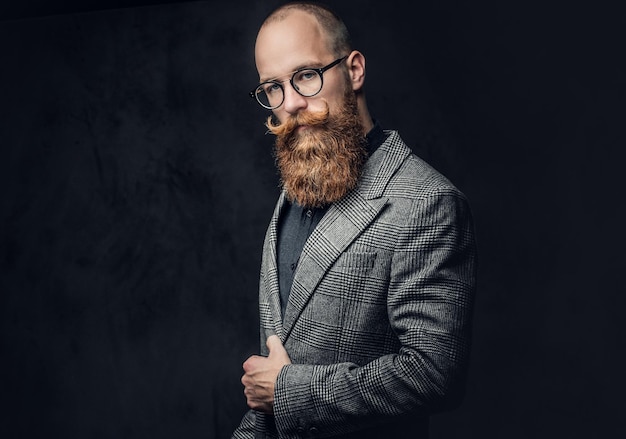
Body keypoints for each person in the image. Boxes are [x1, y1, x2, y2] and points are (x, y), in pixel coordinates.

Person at [233, 2, 477, 438]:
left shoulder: (427, 201)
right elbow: (282, 353)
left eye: (306, 75)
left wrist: (289, 390)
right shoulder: (296, 187)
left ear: (355, 70)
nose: (290, 103)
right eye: (272, 87)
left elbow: (434, 374)